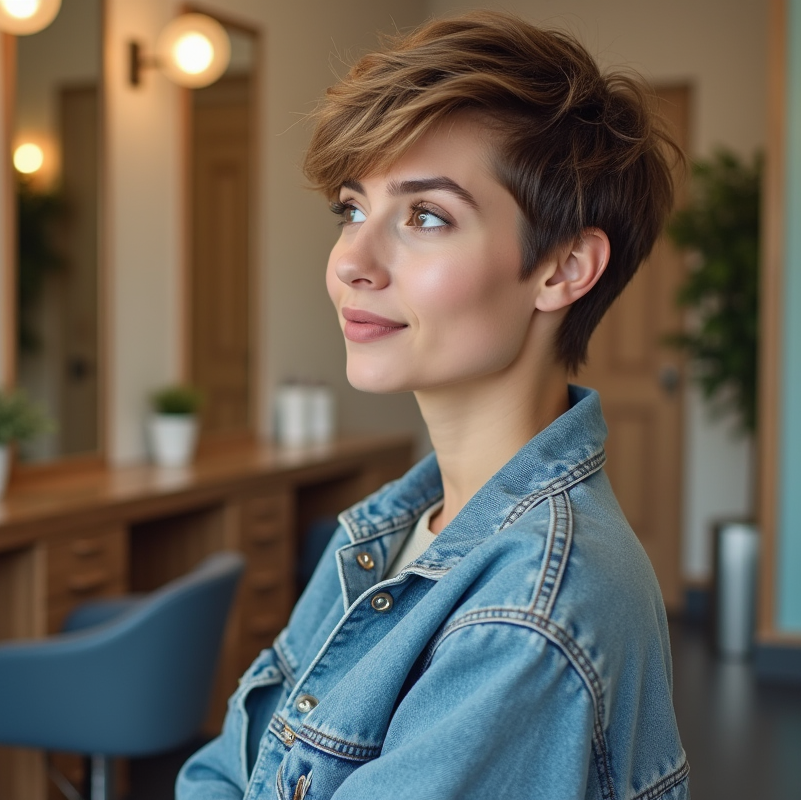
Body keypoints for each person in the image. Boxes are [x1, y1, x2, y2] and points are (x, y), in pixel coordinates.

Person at [178, 10, 688, 799]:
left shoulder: (529, 617)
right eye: (351, 209)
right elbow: (223, 768)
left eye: (425, 216)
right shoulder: (388, 532)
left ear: (563, 268)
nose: (352, 259)